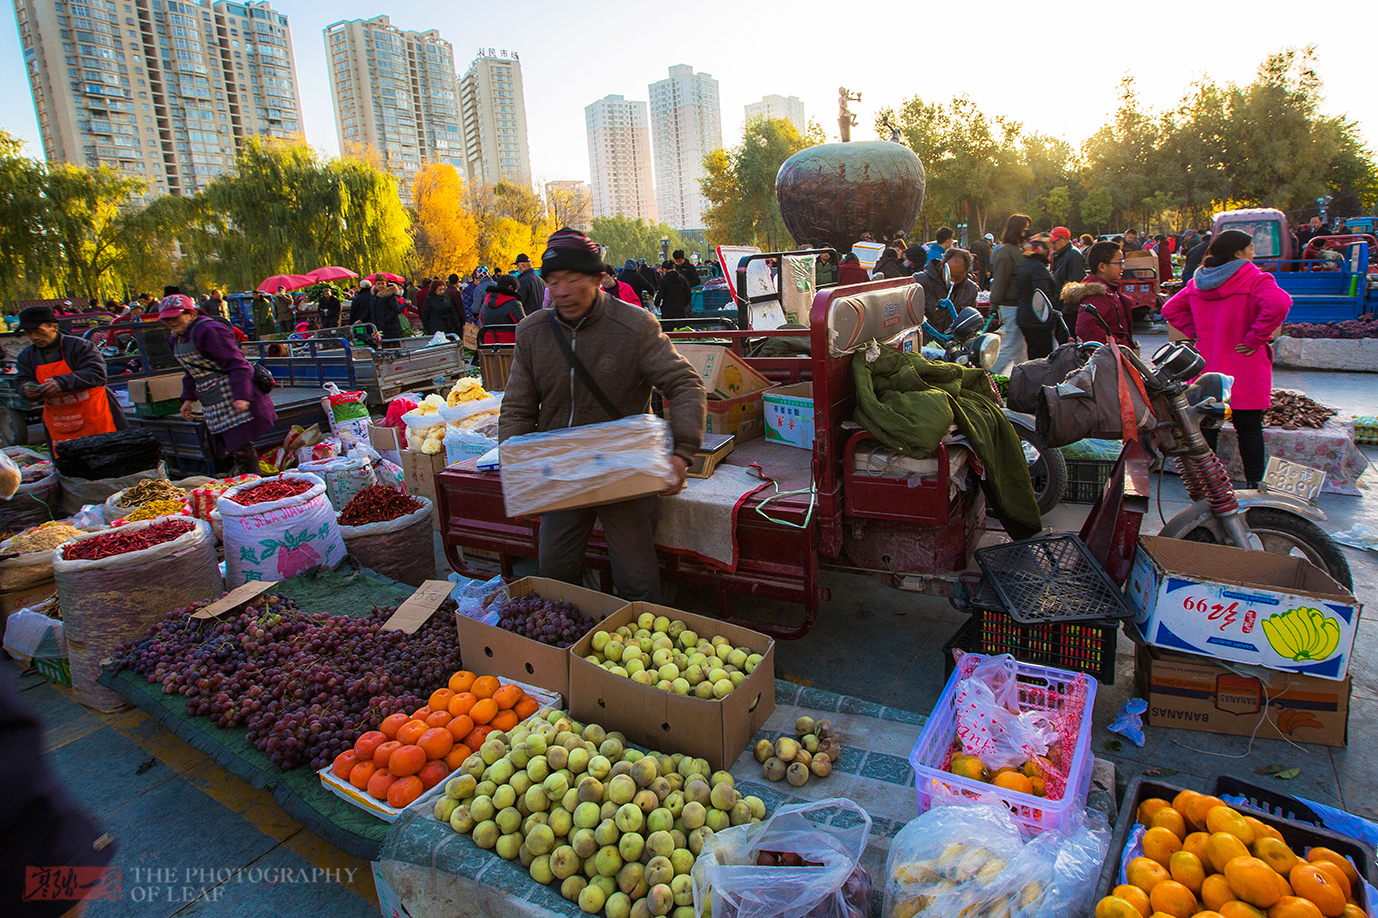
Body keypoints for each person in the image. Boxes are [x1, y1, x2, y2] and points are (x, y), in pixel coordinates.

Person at [499, 227, 706, 602]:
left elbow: (685, 384)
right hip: (561, 470)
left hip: (626, 466)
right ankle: (567, 652)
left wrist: (683, 453)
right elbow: (517, 407)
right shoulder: (532, 332)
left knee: (637, 580)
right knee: (555, 575)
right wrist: (519, 471)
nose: (562, 290)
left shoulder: (634, 325)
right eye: (554, 281)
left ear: (598, 278)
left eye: (573, 279)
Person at [1162, 230, 1290, 486]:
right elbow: (1280, 304)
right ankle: (1255, 485)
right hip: (1246, 368)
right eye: (1251, 248)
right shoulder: (1256, 279)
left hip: (1209, 370)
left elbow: (1170, 308)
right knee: (1250, 430)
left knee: (1208, 428)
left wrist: (1196, 332)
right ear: (1238, 253)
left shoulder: (1199, 282)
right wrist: (1255, 338)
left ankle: (1208, 485)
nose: (1254, 254)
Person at [160, 295, 276, 475]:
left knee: (241, 447)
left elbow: (238, 365)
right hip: (212, 398)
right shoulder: (176, 338)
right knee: (225, 447)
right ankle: (244, 481)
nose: (171, 323)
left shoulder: (209, 330)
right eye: (167, 319)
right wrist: (188, 398)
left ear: (190, 313)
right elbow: (191, 370)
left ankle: (255, 485)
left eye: (175, 317)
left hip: (235, 391)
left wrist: (241, 397)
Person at [15, 305, 125, 445]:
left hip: (94, 415)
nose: (33, 337)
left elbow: (97, 373)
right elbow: (21, 379)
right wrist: (25, 388)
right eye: (28, 333)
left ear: (54, 327)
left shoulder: (80, 346)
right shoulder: (27, 356)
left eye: (38, 331)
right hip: (60, 421)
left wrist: (61, 383)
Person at [1062, 242, 1136, 346]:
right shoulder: (1096, 294)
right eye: (1119, 262)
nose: (1122, 267)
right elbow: (1085, 328)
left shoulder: (1108, 289)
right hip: (1106, 358)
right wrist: (1114, 343)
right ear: (1102, 267)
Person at [991, 213, 1031, 374]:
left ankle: (1023, 378)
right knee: (1012, 347)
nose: (1028, 232)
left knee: (1020, 348)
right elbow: (1000, 280)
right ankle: (989, 374)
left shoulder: (1017, 250)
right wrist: (994, 304)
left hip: (1018, 304)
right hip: (1010, 304)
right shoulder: (1006, 252)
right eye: (1025, 229)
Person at [1015, 233, 1062, 359]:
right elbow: (1043, 294)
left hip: (1026, 316)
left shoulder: (1026, 264)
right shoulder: (1038, 268)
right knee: (1041, 357)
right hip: (1038, 319)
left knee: (1033, 355)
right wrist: (1056, 310)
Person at [913, 248, 979, 334]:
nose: (953, 281)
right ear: (942, 265)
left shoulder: (971, 289)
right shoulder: (920, 282)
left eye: (959, 277)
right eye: (950, 276)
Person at [1050, 226, 1087, 311]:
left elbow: (1075, 283)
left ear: (1064, 240)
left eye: (1054, 242)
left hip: (1068, 308)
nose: (1052, 245)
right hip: (1060, 304)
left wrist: (1067, 309)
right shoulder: (1060, 254)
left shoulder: (1073, 255)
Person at [480, 274, 524, 343]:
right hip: (510, 343)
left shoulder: (485, 304)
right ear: (511, 287)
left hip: (489, 343)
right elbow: (523, 325)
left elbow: (482, 320)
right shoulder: (513, 303)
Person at [367, 276, 407, 341]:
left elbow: (395, 309)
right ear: (375, 285)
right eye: (378, 284)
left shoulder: (390, 295)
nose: (381, 286)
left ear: (386, 284)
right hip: (379, 326)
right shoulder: (374, 296)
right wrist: (361, 319)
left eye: (383, 283)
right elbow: (370, 309)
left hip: (390, 327)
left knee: (393, 344)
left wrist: (386, 319)